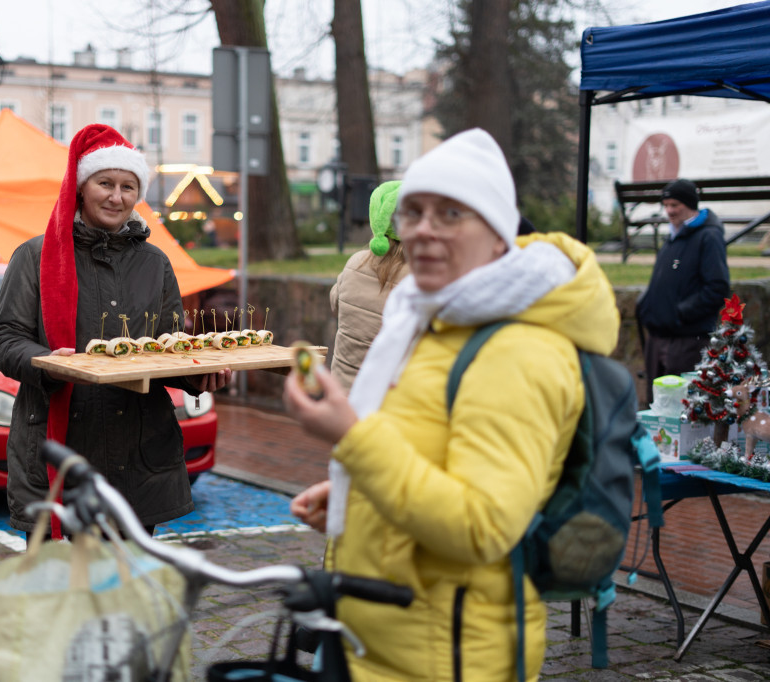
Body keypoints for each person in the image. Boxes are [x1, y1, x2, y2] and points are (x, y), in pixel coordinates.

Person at [283, 128, 619, 681]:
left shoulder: (518, 348)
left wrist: (354, 439)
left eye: (450, 214)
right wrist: (359, 497)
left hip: (448, 655)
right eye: (412, 212)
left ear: (497, 236)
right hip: (388, 640)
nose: (423, 230)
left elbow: (483, 525)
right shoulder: (434, 321)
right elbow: (433, 455)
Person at [0, 124, 231, 537]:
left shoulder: (155, 263)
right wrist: (44, 362)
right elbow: (3, 339)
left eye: (128, 187)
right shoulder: (35, 256)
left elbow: (168, 348)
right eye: (105, 183)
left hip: (136, 457)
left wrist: (197, 376)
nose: (117, 197)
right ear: (82, 187)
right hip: (60, 450)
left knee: (124, 592)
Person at [636, 178, 730, 404]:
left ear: (690, 205)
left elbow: (717, 288)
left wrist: (678, 314)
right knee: (656, 408)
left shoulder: (708, 237)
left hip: (686, 340)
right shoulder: (673, 237)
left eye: (675, 205)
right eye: (666, 205)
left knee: (680, 410)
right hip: (658, 337)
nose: (669, 211)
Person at [329, 180, 409, 392]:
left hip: (342, 394)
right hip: (384, 397)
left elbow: (335, 302)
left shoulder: (356, 262)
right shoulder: (420, 278)